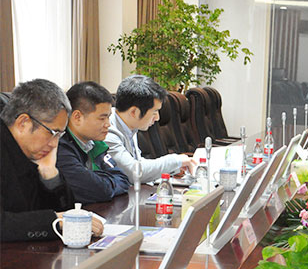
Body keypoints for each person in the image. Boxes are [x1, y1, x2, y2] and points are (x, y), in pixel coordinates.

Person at [0, 79, 103, 242]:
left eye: (60, 135)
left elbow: (65, 212)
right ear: (23, 123)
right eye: (53, 133)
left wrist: (50, 176)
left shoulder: (32, 152)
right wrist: (54, 220)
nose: (55, 144)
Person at [105, 75, 194, 183]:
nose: (157, 118)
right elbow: (134, 172)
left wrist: (173, 168)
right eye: (154, 112)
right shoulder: (106, 130)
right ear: (134, 112)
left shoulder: (129, 125)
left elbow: (137, 162)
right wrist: (175, 160)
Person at [57, 81, 130, 204]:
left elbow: (123, 179)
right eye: (102, 118)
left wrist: (94, 178)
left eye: (108, 117)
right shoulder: (60, 148)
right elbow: (99, 191)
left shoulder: (95, 144)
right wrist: (102, 180)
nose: (108, 124)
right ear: (77, 117)